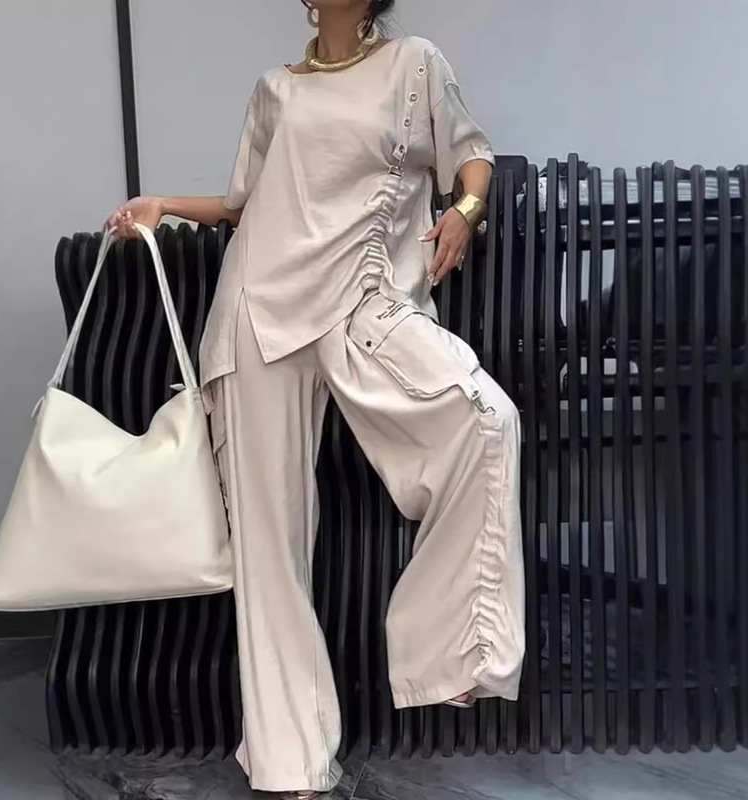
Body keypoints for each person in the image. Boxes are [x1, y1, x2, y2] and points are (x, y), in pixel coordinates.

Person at [106, 1, 524, 797]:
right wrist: (163, 204)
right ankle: (288, 763)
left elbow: (472, 157)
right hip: (256, 309)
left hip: (362, 300)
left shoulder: (413, 63)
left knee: (484, 420)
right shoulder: (277, 88)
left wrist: (464, 213)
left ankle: (451, 653)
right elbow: (245, 206)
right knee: (269, 546)